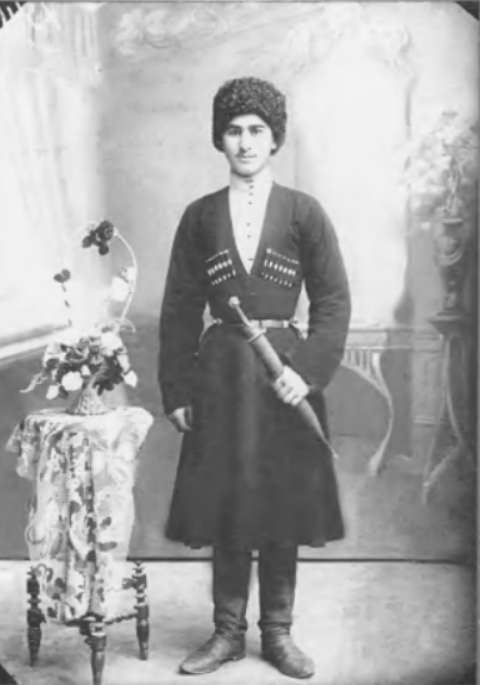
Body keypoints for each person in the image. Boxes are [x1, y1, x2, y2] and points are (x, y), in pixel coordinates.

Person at [158, 76, 351, 680]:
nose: (245, 142)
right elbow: (179, 309)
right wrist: (177, 390)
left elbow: (333, 301)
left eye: (257, 130)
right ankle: (226, 633)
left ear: (274, 140)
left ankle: (278, 632)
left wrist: (305, 373)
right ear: (220, 139)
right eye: (234, 131)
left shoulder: (304, 212)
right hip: (219, 376)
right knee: (227, 500)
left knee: (282, 501)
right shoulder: (199, 216)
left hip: (282, 377)